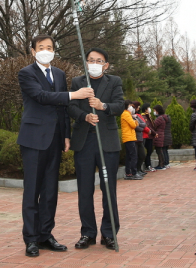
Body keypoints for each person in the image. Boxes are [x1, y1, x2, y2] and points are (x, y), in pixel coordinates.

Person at [17, 34, 94, 257]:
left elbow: (62, 109)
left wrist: (66, 135)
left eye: (49, 47)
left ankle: (45, 235)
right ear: (32, 51)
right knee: (32, 191)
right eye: (41, 47)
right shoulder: (26, 73)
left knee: (50, 191)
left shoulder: (59, 73)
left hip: (55, 138)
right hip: (33, 139)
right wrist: (73, 94)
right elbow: (41, 97)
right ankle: (31, 239)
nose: (46, 50)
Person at [68, 47, 124, 251]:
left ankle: (109, 234)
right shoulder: (78, 82)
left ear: (106, 65)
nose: (94, 63)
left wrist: (102, 106)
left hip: (107, 143)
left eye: (98, 61)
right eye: (90, 60)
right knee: (84, 190)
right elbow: (71, 107)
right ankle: (87, 233)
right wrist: (84, 116)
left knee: (109, 190)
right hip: (84, 142)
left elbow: (119, 105)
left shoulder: (114, 81)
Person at [121, 100, 140, 180]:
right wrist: (135, 121)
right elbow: (133, 125)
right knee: (133, 156)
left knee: (129, 156)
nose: (132, 108)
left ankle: (128, 173)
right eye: (130, 106)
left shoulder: (127, 114)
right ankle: (133, 173)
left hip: (128, 137)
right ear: (127, 106)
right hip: (129, 137)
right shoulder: (126, 114)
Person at [153, 105, 171, 170]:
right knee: (165, 150)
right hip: (167, 135)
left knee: (162, 150)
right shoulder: (167, 117)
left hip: (162, 136)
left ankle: (163, 164)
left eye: (154, 111)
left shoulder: (160, 118)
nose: (154, 112)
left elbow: (154, 126)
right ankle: (167, 163)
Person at [132, 101, 147, 175]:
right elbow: (135, 127)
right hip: (135, 138)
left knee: (142, 155)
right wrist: (141, 128)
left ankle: (139, 168)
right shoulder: (130, 116)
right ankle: (136, 170)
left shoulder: (136, 116)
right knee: (136, 156)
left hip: (140, 138)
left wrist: (140, 126)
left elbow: (144, 124)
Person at [140, 103, 157, 172]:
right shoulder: (144, 116)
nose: (149, 109)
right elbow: (148, 126)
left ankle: (148, 165)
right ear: (145, 109)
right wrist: (154, 133)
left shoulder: (148, 116)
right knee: (147, 151)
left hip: (150, 136)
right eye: (148, 108)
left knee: (149, 151)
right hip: (147, 136)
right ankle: (148, 165)